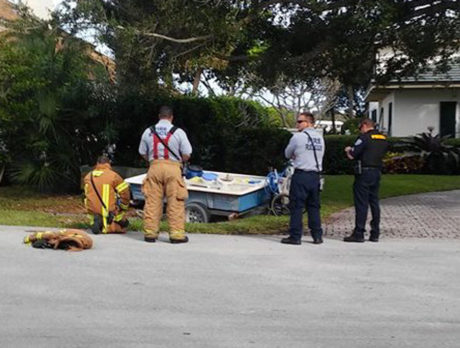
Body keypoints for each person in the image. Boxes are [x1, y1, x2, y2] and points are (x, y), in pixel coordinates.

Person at [138, 105, 192, 243]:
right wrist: (179, 161)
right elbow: (187, 153)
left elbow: (142, 152)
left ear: (159, 116)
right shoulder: (178, 132)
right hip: (173, 169)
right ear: (171, 117)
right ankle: (176, 235)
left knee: (152, 201)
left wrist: (154, 161)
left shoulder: (148, 132)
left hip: (154, 167)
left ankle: (150, 233)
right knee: (175, 202)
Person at [281, 112, 325, 245]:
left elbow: (287, 154)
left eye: (300, 122)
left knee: (296, 206)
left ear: (309, 123)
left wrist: (296, 155)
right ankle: (317, 236)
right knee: (314, 206)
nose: (297, 124)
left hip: (301, 175)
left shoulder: (297, 137)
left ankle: (295, 236)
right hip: (315, 176)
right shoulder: (320, 138)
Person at [344, 118, 389, 243]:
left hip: (364, 172)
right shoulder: (383, 138)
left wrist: (348, 150)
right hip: (377, 172)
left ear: (364, 125)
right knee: (374, 202)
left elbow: (353, 155)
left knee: (361, 203)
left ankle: (359, 233)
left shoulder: (364, 138)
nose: (360, 130)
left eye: (360, 128)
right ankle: (375, 233)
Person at [84, 155, 130, 234]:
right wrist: (123, 207)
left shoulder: (88, 176)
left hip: (92, 210)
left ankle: (97, 221)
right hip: (109, 211)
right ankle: (109, 224)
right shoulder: (113, 176)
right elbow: (125, 193)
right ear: (109, 163)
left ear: (97, 163)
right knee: (122, 225)